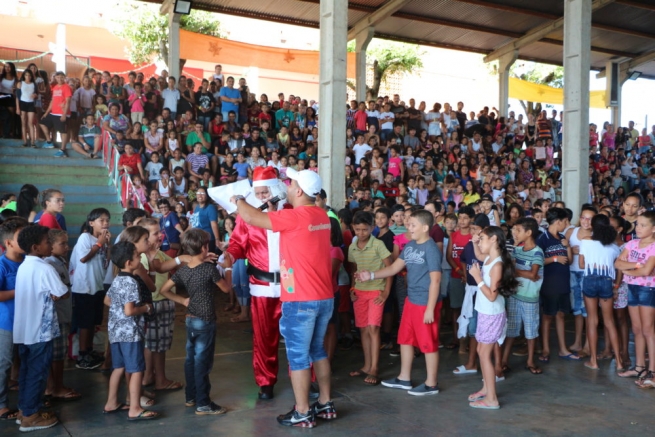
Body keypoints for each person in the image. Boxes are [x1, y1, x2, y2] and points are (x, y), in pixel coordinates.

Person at [230, 168, 335, 428]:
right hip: (324, 296)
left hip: (300, 298)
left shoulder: (294, 217)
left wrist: (238, 200)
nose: (287, 186)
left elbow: (251, 216)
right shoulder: (322, 215)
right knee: (317, 351)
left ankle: (302, 411)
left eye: (291, 183)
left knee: (298, 357)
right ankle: (325, 403)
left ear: (299, 191)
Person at [210, 167, 286, 399]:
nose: (262, 196)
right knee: (263, 337)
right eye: (258, 192)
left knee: (299, 336)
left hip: (291, 286)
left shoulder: (292, 212)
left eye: (265, 192)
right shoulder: (248, 217)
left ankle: (308, 379)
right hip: (261, 285)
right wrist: (228, 255)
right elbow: (237, 245)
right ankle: (265, 382)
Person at [358, 210, 443, 395]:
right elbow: (395, 267)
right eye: (408, 224)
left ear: (425, 227)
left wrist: (430, 308)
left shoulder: (431, 248)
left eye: (413, 225)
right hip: (411, 300)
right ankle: (404, 378)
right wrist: (371, 275)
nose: (408, 227)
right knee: (405, 339)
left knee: (428, 343)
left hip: (425, 303)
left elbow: (436, 280)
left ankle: (432, 384)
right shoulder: (411, 245)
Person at [159, 229, 233, 415]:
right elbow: (226, 288)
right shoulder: (208, 269)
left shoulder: (184, 271)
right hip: (205, 320)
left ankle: (190, 397)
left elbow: (164, 290)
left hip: (191, 319)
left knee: (190, 360)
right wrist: (229, 267)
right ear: (204, 247)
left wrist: (183, 301)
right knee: (202, 363)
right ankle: (203, 403)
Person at [13, 225, 68, 431]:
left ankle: (25, 409)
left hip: (25, 330)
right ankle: (31, 416)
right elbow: (62, 291)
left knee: (27, 371)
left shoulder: (25, 265)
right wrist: (57, 293)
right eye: (47, 241)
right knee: (37, 372)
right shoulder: (45, 268)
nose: (49, 245)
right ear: (36, 247)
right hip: (39, 330)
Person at [103, 241, 159, 421]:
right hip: (130, 333)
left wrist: (121, 309)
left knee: (118, 367)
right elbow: (130, 311)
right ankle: (134, 408)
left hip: (115, 331)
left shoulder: (118, 279)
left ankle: (111, 402)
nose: (139, 260)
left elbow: (107, 300)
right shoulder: (131, 282)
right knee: (136, 370)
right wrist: (145, 308)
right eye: (137, 257)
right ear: (129, 262)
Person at [467, 226, 518, 410]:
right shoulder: (489, 258)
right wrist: (474, 244)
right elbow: (480, 256)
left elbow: (491, 296)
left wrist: (477, 278)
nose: (479, 241)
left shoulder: (497, 265)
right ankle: (486, 388)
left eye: (482, 238)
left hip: (492, 313)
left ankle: (492, 398)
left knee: (483, 353)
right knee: (481, 349)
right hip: (485, 312)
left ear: (494, 239)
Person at [348, 211, 392, 386]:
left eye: (365, 230)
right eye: (357, 229)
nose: (361, 233)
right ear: (353, 228)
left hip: (376, 291)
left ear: (372, 228)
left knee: (373, 328)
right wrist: (352, 288)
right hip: (359, 293)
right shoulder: (352, 247)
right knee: (364, 330)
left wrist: (386, 292)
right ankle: (366, 366)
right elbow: (353, 270)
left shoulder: (378, 245)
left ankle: (374, 368)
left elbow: (391, 268)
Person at [578, 214, 623, 371]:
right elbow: (619, 268)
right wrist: (616, 286)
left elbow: (582, 264)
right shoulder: (614, 247)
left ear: (592, 226)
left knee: (592, 320)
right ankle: (618, 362)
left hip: (590, 280)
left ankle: (593, 361)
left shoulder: (585, 242)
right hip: (606, 282)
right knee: (609, 322)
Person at [615, 211, 655, 385]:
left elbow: (647, 272)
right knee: (637, 329)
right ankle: (639, 366)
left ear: (653, 229)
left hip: (648, 288)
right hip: (632, 287)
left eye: (643, 225)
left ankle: (652, 370)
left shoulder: (654, 246)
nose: (638, 228)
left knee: (648, 330)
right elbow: (618, 263)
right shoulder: (632, 243)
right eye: (637, 224)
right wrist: (636, 266)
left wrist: (628, 269)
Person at [69, 208, 111, 370]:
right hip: (84, 287)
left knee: (94, 320)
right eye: (102, 220)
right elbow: (84, 258)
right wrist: (99, 243)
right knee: (85, 323)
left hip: (97, 286)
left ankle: (89, 349)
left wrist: (106, 246)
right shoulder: (85, 237)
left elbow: (105, 262)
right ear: (91, 223)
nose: (106, 223)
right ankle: (82, 355)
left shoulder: (101, 240)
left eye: (107, 220)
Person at [502, 217, 544, 375]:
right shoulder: (517, 250)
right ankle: (504, 360)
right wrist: (521, 272)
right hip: (514, 295)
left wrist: (515, 271)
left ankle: (530, 361)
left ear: (529, 232)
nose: (515, 233)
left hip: (530, 298)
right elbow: (514, 270)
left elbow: (533, 274)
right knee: (511, 330)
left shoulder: (537, 252)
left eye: (518, 230)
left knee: (530, 330)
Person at [44, 230, 81, 402]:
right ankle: (55, 387)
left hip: (63, 314)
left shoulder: (59, 261)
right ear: (50, 246)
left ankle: (54, 386)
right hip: (56, 316)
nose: (67, 247)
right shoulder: (49, 264)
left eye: (67, 243)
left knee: (58, 354)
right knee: (57, 355)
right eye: (62, 244)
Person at [537, 208, 577, 363]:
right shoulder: (543, 238)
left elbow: (570, 261)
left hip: (563, 282)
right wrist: (554, 259)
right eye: (565, 222)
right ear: (558, 221)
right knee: (547, 316)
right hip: (549, 284)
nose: (566, 225)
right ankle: (545, 349)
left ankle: (563, 349)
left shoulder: (562, 237)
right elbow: (537, 261)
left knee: (561, 315)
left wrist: (567, 247)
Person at [0, 217, 28, 422]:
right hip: (7, 321)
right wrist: (20, 291)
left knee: (27, 361)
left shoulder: (30, 261)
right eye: (22, 237)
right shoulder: (3, 265)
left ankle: (27, 401)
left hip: (28, 320)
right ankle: (1, 404)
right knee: (4, 361)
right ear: (8, 243)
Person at [565, 205, 597, 357]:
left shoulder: (597, 235)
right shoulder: (571, 232)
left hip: (588, 274)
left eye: (590, 219)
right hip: (572, 272)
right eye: (583, 217)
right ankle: (578, 341)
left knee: (588, 311)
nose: (586, 221)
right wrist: (571, 251)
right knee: (577, 309)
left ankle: (588, 345)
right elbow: (562, 248)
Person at [445, 205, 475, 351]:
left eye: (465, 218)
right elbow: (449, 256)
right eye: (460, 218)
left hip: (472, 278)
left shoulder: (474, 236)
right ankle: (456, 339)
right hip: (456, 276)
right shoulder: (453, 235)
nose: (462, 221)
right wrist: (459, 270)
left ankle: (470, 339)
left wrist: (467, 274)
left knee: (471, 309)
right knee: (455, 308)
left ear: (471, 219)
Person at [38, 71, 72, 158]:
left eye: (61, 77)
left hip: (62, 113)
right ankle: (49, 142)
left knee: (63, 131)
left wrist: (64, 114)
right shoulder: (55, 87)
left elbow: (68, 101)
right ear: (55, 78)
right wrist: (46, 112)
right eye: (58, 77)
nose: (60, 79)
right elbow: (52, 101)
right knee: (42, 122)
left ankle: (62, 150)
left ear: (64, 77)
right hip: (53, 112)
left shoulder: (67, 87)